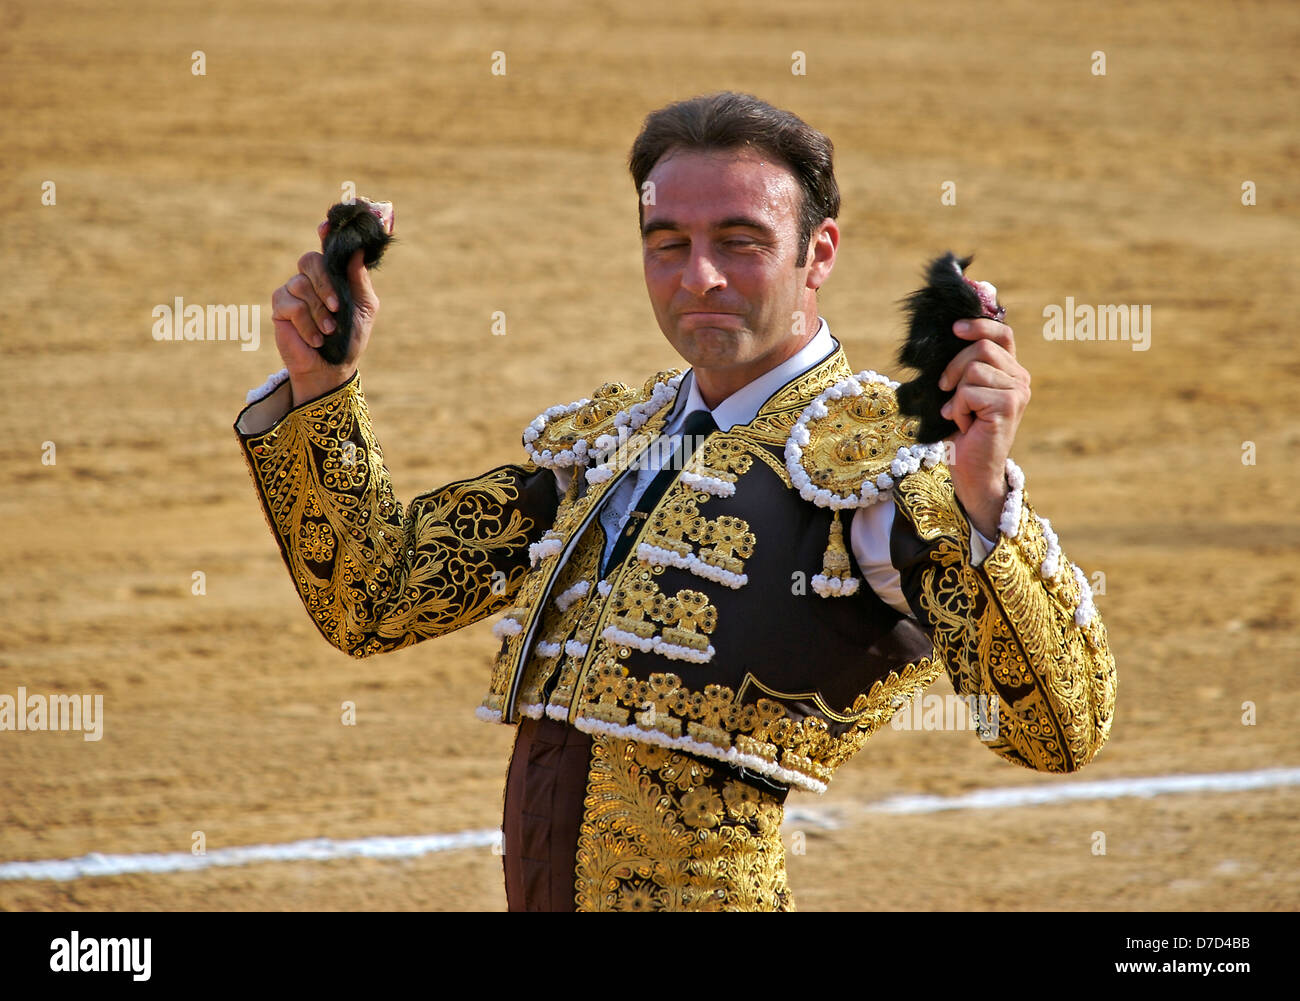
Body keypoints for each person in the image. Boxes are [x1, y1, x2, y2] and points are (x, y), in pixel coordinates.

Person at [234, 92, 1116, 912]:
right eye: (668, 243)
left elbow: (1060, 728)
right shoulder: (611, 441)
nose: (698, 277)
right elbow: (376, 597)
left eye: (740, 241)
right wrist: (322, 390)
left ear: (820, 253)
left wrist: (984, 497)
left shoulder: (886, 466)